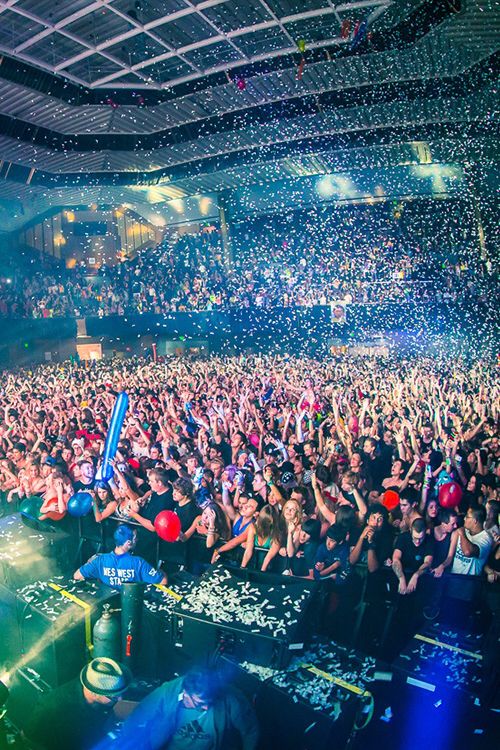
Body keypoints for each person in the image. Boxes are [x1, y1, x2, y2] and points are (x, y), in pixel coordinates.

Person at [112, 667, 259, 750]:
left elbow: (251, 731)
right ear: (186, 694)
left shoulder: (231, 699)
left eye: (209, 701)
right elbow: (138, 716)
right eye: (200, 703)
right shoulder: (168, 692)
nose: (206, 707)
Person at [24, 657, 131, 750]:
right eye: (114, 697)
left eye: (121, 694)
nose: (120, 699)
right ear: (94, 693)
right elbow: (29, 739)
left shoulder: (101, 700)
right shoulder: (53, 707)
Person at [74, 523, 167, 587]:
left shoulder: (100, 560)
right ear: (128, 543)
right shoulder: (138, 563)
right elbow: (163, 581)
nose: (137, 540)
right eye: (135, 538)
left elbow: (77, 576)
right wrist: (161, 571)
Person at [392, 518, 434, 595]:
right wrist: (401, 579)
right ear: (411, 530)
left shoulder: (429, 541)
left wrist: (415, 576)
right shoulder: (403, 537)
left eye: (421, 538)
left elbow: (428, 563)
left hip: (420, 579)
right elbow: (395, 559)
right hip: (401, 575)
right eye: (415, 538)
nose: (418, 541)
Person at [449, 505, 493, 576]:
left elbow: (467, 552)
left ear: (475, 521)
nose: (464, 519)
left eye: (467, 517)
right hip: (454, 577)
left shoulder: (486, 538)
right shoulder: (465, 530)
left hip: (470, 581)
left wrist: (462, 534)